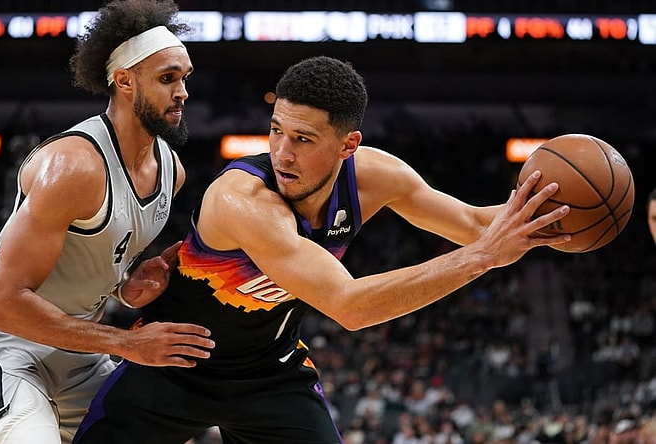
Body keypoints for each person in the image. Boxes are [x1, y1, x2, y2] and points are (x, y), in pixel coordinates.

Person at [73, 56, 572, 443]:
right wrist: (483, 258)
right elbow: (350, 306)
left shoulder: (375, 177)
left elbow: (474, 224)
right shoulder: (241, 199)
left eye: (303, 139)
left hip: (270, 374)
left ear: (348, 145)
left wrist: (555, 212)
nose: (282, 152)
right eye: (276, 131)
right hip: (172, 364)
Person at [0, 1, 214, 443]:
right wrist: (125, 343)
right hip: (1, 341)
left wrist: (127, 286)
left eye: (184, 78)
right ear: (124, 81)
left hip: (78, 349)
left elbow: (96, 260)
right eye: (167, 79)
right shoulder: (74, 166)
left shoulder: (171, 172)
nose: (182, 92)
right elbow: (3, 303)